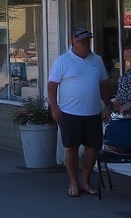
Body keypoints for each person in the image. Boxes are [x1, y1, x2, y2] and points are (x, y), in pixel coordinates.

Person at [48, 26, 110, 198]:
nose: (86, 45)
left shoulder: (96, 60)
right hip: (69, 113)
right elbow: (52, 86)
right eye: (82, 42)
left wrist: (108, 105)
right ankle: (73, 182)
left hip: (92, 113)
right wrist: (54, 108)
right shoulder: (63, 60)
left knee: (92, 147)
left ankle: (85, 181)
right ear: (73, 42)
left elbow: (104, 83)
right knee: (71, 147)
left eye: (88, 41)